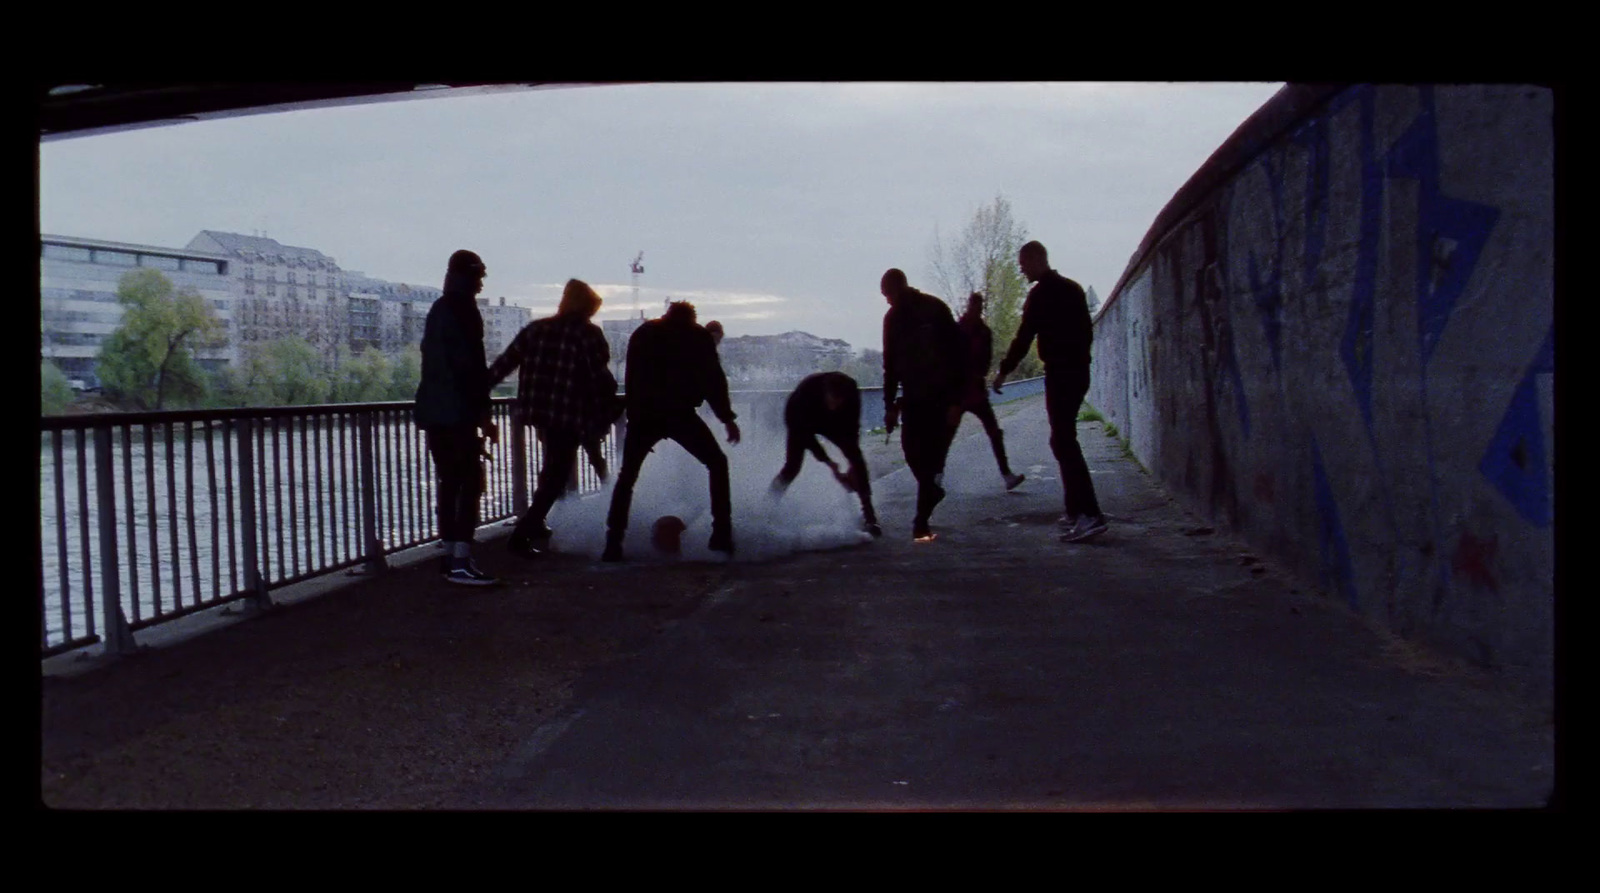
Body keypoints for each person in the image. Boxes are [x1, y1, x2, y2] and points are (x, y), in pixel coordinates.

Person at [487, 279, 621, 557]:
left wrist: (477, 393)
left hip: (538, 410)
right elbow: (600, 377)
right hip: (569, 411)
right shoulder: (588, 334)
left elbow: (504, 363)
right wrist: (606, 413)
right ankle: (523, 533)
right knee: (557, 473)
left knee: (553, 467)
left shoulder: (536, 329)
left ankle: (536, 523)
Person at [602, 300, 741, 562]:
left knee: (627, 478)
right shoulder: (697, 336)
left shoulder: (643, 333)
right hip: (680, 414)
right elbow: (713, 380)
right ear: (692, 317)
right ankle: (721, 534)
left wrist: (634, 413)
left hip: (644, 416)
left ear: (667, 314)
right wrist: (727, 419)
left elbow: (632, 378)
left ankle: (613, 541)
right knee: (717, 463)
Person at [992, 240, 1107, 543]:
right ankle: (1075, 511)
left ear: (1036, 260)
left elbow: (1023, 337)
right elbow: (1086, 333)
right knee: (1063, 439)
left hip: (1060, 373)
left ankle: (1089, 515)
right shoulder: (1072, 289)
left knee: (1064, 441)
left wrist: (1003, 371)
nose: (1021, 270)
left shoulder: (1040, 295)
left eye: (1023, 264)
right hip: (1078, 371)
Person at [414, 249, 499, 585]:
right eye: (479, 277)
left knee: (449, 483)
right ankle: (462, 562)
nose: (481, 285)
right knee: (470, 483)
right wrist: (485, 415)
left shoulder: (438, 309)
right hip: (458, 412)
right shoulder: (465, 310)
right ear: (471, 276)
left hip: (434, 411)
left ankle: (449, 557)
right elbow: (471, 368)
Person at [880, 267, 967, 541]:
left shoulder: (934, 309)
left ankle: (921, 523)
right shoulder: (892, 319)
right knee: (911, 452)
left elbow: (958, 355)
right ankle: (931, 493)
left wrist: (956, 401)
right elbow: (890, 365)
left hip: (941, 399)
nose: (887, 300)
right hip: (914, 399)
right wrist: (890, 405)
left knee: (929, 460)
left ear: (898, 288)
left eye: (888, 295)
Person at [770, 371, 882, 537]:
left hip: (832, 421)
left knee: (857, 460)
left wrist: (851, 463)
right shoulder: (805, 396)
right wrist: (830, 464)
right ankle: (768, 507)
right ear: (825, 393)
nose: (835, 405)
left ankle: (869, 515)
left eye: (839, 402)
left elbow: (852, 427)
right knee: (792, 466)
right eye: (832, 401)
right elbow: (805, 437)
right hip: (799, 419)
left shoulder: (850, 390)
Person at [956, 291, 1026, 491]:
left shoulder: (982, 332)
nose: (976, 310)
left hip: (974, 391)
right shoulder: (958, 330)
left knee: (994, 432)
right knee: (948, 435)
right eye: (974, 305)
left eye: (978, 306)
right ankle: (936, 476)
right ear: (970, 306)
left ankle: (1006, 475)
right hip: (960, 391)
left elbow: (985, 361)